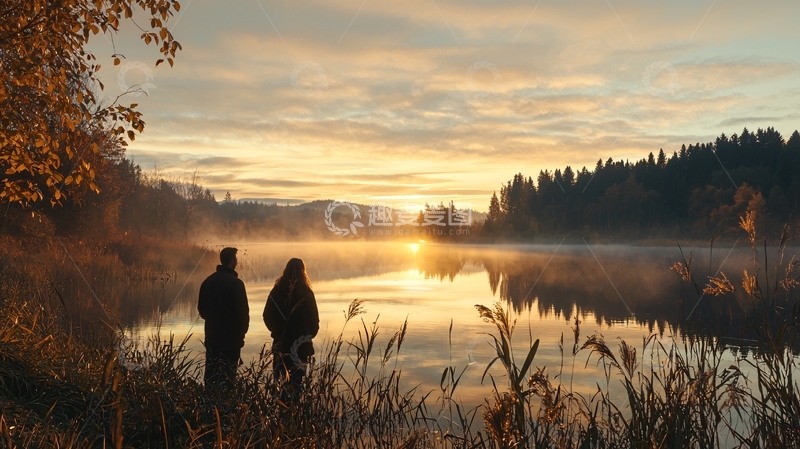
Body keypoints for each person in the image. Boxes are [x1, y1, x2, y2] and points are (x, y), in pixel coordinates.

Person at [263, 258, 319, 392]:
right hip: (300, 346)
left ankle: (283, 410)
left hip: (281, 343)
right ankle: (294, 409)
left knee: (280, 382)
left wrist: (276, 331)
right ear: (303, 272)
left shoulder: (277, 291)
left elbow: (267, 315)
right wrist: (307, 336)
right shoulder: (306, 292)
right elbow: (314, 320)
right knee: (296, 383)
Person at [198, 247, 250, 389]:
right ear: (232, 261)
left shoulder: (208, 281)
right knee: (228, 377)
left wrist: (214, 320)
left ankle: (209, 405)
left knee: (211, 374)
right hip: (231, 340)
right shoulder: (236, 284)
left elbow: (201, 310)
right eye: (236, 259)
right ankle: (225, 407)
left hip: (212, 337)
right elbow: (242, 314)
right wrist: (241, 335)